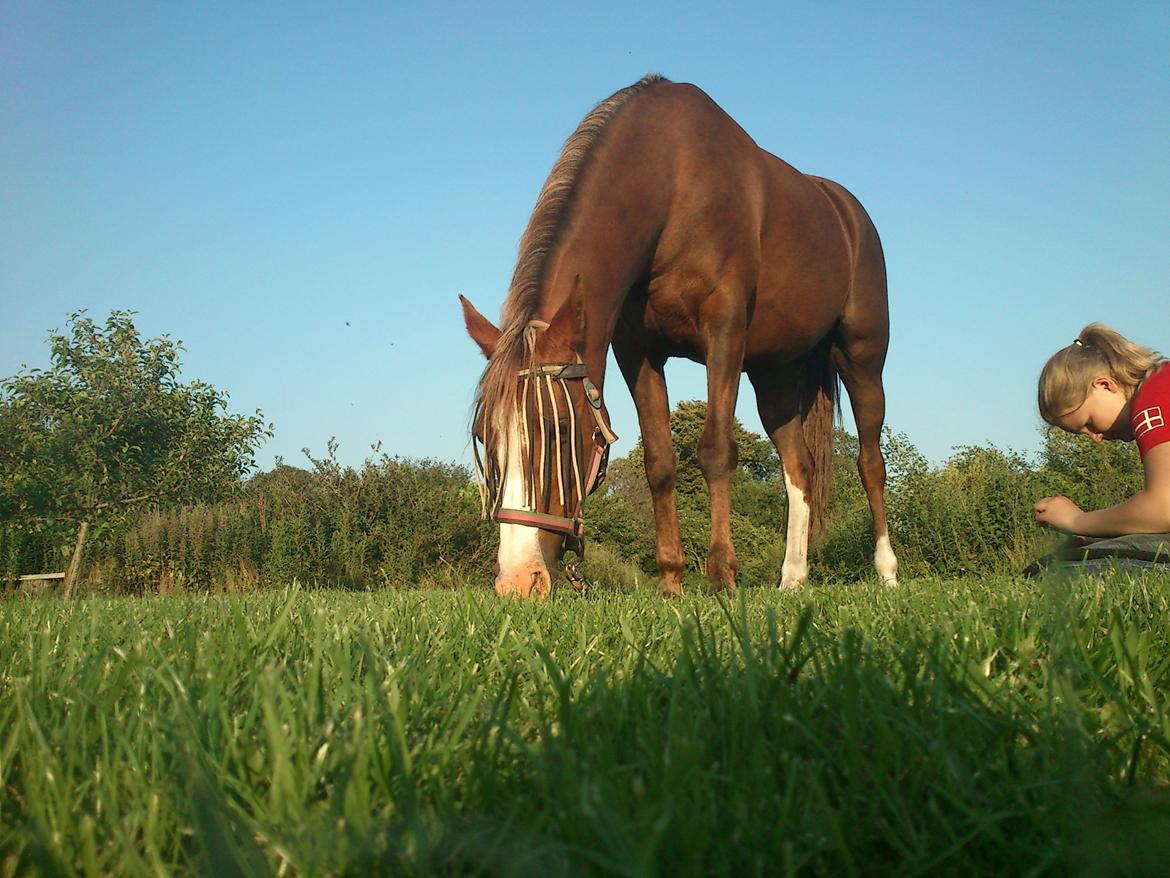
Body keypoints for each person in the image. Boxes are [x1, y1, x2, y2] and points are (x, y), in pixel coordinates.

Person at [1034, 323, 1170, 536]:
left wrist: (1076, 520)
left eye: (1089, 422)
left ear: (1105, 385)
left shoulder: (1154, 399)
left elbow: (1163, 509)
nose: (1096, 438)